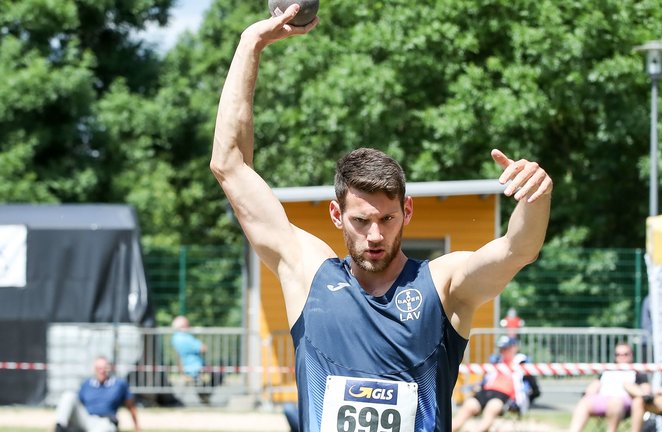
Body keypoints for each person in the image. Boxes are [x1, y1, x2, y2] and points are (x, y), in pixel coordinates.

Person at [209, 5, 552, 431]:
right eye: (360, 221)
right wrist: (250, 43)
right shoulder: (307, 273)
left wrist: (536, 195)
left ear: (407, 211)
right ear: (336, 215)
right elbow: (229, 165)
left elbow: (518, 249)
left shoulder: (442, 285)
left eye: (388, 219)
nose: (375, 234)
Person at [451, 336, 539, 432]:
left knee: (491, 408)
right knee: (468, 406)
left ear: (514, 348)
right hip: (486, 391)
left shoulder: (522, 363)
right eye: (501, 349)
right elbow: (485, 380)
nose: (502, 351)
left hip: (505, 396)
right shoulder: (496, 361)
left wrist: (528, 398)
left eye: (505, 348)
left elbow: (534, 388)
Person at [568, 343, 650, 432]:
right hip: (602, 399)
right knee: (584, 402)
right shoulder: (608, 370)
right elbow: (594, 386)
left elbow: (645, 392)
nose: (622, 357)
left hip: (623, 402)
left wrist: (632, 389)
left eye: (625, 354)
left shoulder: (637, 372)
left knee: (615, 402)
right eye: (618, 354)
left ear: (631, 355)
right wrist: (588, 393)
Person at [54, 355, 140, 432]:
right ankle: (59, 428)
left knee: (103, 428)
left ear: (109, 368)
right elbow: (75, 406)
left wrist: (137, 427)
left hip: (105, 421)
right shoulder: (86, 384)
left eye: (104, 368)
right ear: (94, 369)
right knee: (68, 396)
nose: (101, 371)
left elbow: (131, 406)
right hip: (87, 419)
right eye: (99, 368)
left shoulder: (119, 384)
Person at [170, 315, 222, 404]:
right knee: (219, 374)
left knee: (213, 374)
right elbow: (203, 348)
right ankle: (203, 393)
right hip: (196, 367)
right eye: (187, 325)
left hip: (187, 368)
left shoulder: (175, 338)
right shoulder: (186, 338)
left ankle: (203, 393)